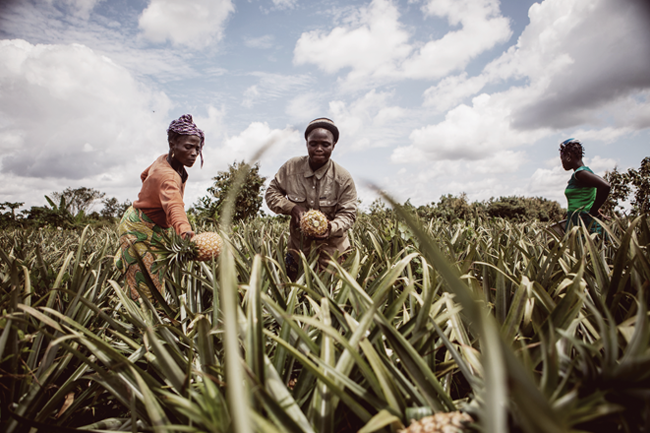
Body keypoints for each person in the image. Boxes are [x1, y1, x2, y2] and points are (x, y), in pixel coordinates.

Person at [114, 114, 204, 300]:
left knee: (151, 274)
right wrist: (184, 230)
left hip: (149, 222)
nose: (194, 153)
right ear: (172, 144)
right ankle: (140, 316)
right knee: (146, 286)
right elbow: (174, 206)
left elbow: (144, 174)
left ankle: (126, 260)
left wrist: (150, 194)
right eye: (188, 147)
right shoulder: (168, 176)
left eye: (197, 148)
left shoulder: (163, 160)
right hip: (140, 227)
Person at [265, 118, 357, 280]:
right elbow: (271, 193)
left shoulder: (343, 178)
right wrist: (291, 207)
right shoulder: (291, 168)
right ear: (307, 143)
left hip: (333, 253)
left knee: (331, 294)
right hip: (298, 251)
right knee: (294, 292)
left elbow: (348, 214)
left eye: (325, 144)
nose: (319, 149)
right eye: (313, 144)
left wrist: (331, 227)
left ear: (333, 145)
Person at [559, 138, 610, 234]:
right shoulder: (580, 174)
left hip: (585, 226)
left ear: (568, 156)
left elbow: (605, 186)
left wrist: (594, 210)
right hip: (578, 223)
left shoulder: (581, 173)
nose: (562, 163)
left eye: (562, 159)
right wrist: (570, 212)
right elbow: (585, 198)